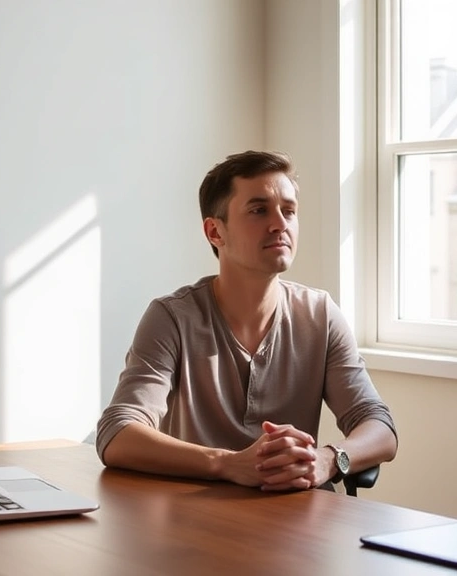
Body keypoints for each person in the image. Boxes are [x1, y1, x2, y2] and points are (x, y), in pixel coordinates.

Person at [95, 150, 397, 491]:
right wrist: (227, 464)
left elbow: (380, 427)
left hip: (297, 516)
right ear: (214, 232)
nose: (280, 224)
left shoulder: (321, 315)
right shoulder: (172, 318)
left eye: (289, 211)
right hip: (195, 519)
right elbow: (117, 433)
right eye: (259, 210)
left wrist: (328, 459)